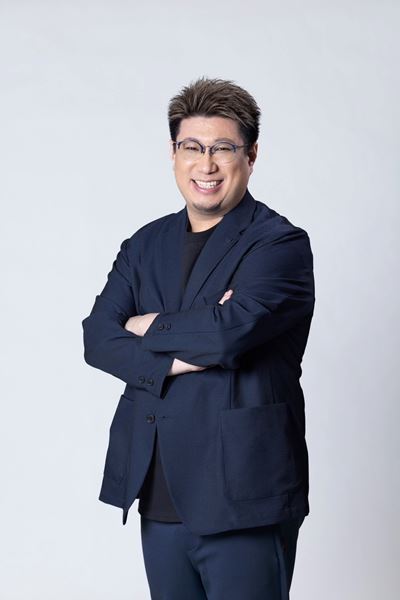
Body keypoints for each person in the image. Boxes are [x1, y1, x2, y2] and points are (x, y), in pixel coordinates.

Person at [82, 76, 315, 599]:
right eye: (192, 147)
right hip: (157, 487)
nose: (205, 165)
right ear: (173, 154)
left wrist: (145, 325)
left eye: (222, 148)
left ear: (251, 155)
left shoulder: (278, 245)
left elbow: (229, 334)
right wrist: (176, 355)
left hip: (243, 494)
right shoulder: (145, 244)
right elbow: (98, 338)